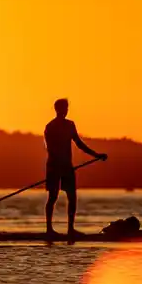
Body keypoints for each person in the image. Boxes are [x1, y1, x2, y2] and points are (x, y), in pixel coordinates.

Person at [44, 98, 106, 237]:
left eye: (66, 108)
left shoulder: (70, 125)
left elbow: (79, 143)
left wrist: (96, 154)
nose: (65, 111)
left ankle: (70, 229)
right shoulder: (50, 127)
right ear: (56, 109)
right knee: (53, 197)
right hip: (54, 166)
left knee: (72, 197)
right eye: (63, 108)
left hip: (67, 166)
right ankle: (49, 230)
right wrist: (58, 166)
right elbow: (50, 149)